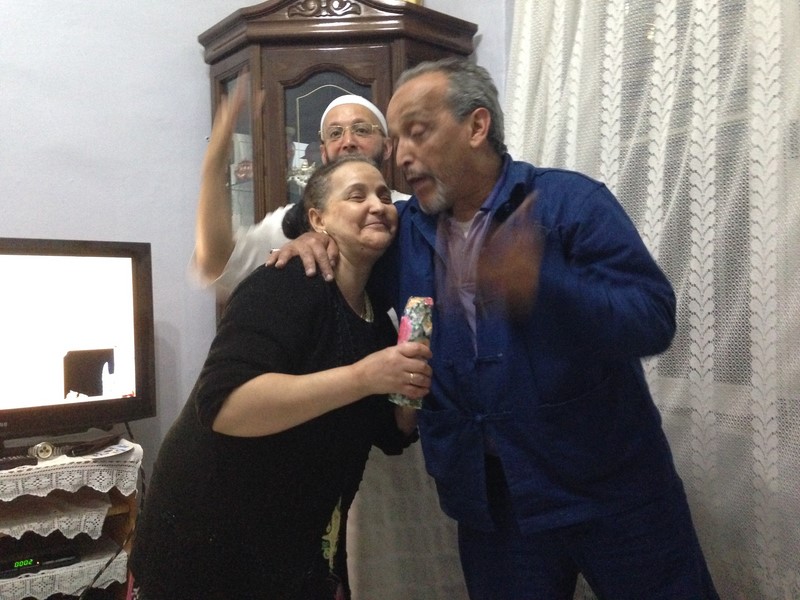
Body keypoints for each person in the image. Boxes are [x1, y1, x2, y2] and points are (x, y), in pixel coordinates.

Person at [268, 57, 720, 600]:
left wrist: (543, 284)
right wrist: (312, 235)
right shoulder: (402, 233)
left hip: (613, 492)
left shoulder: (568, 203)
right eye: (398, 140)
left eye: (418, 132)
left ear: (477, 126)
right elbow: (334, 234)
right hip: (493, 509)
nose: (400, 156)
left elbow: (653, 320)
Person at [129, 155, 432, 600]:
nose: (378, 205)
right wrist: (364, 377)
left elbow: (388, 432)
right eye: (357, 195)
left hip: (291, 551)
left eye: (385, 196)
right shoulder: (287, 281)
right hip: (207, 543)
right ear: (317, 219)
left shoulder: (376, 323)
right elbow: (225, 406)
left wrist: (410, 388)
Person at [193, 71, 408, 300]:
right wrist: (214, 162)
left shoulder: (409, 212)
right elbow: (215, 261)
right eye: (335, 133)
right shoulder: (296, 221)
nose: (347, 142)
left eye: (361, 130)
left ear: (387, 147)